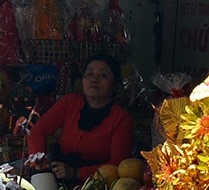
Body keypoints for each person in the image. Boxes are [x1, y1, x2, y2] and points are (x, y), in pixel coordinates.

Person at [25, 52, 134, 181]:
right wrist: (41, 166)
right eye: (89, 74)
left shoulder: (122, 120)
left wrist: (77, 173)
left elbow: (118, 164)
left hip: (98, 184)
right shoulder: (69, 102)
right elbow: (37, 132)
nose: (94, 79)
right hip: (59, 174)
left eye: (102, 75)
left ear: (115, 85)